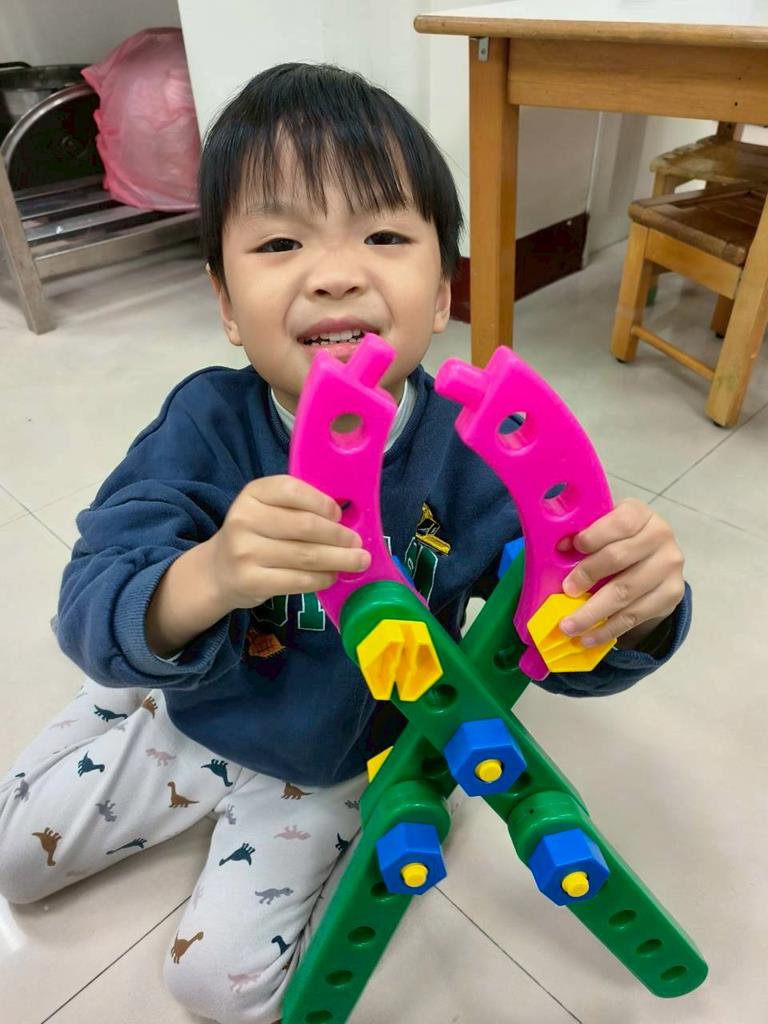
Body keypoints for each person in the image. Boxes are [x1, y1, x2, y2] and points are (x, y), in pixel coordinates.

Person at [0, 63, 690, 1024]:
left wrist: (632, 606)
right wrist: (204, 578)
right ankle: (125, 687)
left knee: (215, 988)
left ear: (442, 294)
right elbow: (88, 593)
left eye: (384, 236)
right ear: (227, 305)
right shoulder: (202, 426)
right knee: (13, 859)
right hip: (197, 717)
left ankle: (140, 682)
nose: (334, 273)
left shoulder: (476, 454)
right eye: (281, 241)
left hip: (338, 766)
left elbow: (554, 644)